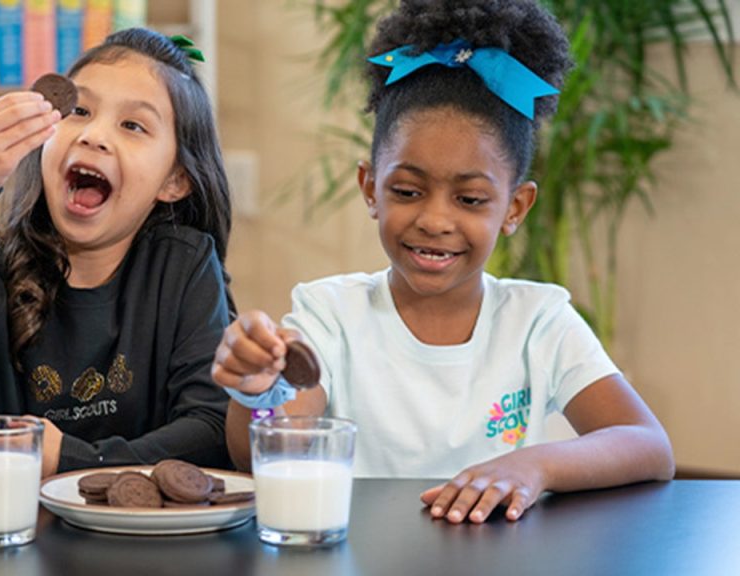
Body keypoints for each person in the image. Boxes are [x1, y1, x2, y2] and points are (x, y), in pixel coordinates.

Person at [211, 0, 674, 524]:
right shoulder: (328, 314)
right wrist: (256, 392)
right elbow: (269, 453)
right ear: (370, 189)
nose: (435, 219)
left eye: (470, 199)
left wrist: (535, 465)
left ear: (514, 208)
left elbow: (648, 446)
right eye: (408, 191)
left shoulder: (538, 321)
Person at [0, 28, 234, 476]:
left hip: (128, 540)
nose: (94, 134)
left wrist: (74, 460)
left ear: (175, 181)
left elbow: (211, 429)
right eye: (79, 110)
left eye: (132, 125)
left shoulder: (184, 268)